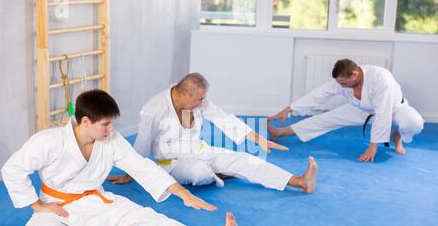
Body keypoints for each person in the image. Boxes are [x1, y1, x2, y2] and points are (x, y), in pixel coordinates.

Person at [2, 89, 237, 226]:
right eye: (105, 124)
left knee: (148, 218)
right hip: (57, 204)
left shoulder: (110, 140)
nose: (112, 130)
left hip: (96, 200)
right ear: (86, 121)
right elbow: (13, 169)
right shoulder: (48, 141)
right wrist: (37, 205)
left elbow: (141, 166)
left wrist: (181, 192)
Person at [107, 73, 318, 194]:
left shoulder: (197, 100)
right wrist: (129, 174)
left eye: (203, 99)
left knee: (246, 160)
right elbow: (142, 144)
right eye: (198, 100)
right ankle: (218, 173)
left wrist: (259, 139)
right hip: (172, 164)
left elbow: (223, 119)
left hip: (201, 150)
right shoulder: (154, 109)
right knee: (198, 172)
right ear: (182, 93)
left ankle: (298, 181)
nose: (202, 103)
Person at [267, 59, 424, 162]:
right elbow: (319, 95)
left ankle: (397, 136)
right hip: (362, 109)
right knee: (324, 119)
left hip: (394, 108)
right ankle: (279, 133)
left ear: (355, 74)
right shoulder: (343, 79)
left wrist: (373, 145)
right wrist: (289, 109)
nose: (341, 86)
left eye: (344, 83)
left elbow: (383, 113)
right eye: (339, 83)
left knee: (415, 123)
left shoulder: (381, 78)